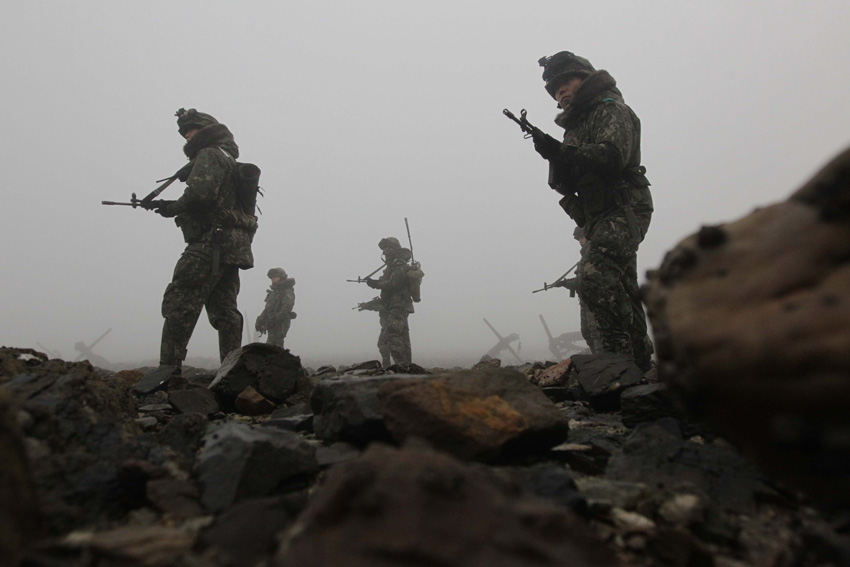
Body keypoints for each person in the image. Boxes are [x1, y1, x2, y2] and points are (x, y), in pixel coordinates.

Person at [530, 51, 653, 371]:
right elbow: (565, 182)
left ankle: (614, 364)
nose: (561, 91)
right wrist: (552, 155)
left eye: (565, 81)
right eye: (555, 88)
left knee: (593, 277)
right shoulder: (576, 126)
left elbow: (612, 156)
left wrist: (561, 151)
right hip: (598, 215)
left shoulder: (610, 109)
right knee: (623, 287)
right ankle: (639, 366)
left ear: (585, 78)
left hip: (624, 207)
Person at [153, 108, 257, 370]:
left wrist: (172, 208)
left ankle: (168, 371)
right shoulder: (228, 159)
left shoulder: (210, 154)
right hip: (233, 247)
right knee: (225, 311)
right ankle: (232, 370)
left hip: (210, 243)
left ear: (206, 130)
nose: (186, 136)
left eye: (190, 130)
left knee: (181, 301)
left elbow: (201, 195)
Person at [363, 237, 416, 367]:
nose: (385, 251)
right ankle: (407, 367)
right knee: (402, 336)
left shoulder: (399, 265)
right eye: (384, 248)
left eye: (388, 248)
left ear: (395, 249)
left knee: (391, 335)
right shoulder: (393, 266)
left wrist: (375, 283)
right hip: (396, 305)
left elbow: (394, 284)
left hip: (398, 305)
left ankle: (403, 367)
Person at [550, 226, 602, 353]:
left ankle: (602, 360)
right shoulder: (584, 256)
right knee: (587, 332)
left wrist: (566, 283)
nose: (580, 241)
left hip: (593, 300)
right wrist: (566, 283)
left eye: (582, 238)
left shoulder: (593, 254)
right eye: (578, 238)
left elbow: (586, 280)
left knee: (596, 332)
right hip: (585, 300)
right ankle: (597, 358)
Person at [255, 268, 296, 348]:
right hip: (272, 323)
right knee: (271, 345)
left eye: (275, 277)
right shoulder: (274, 292)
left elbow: (287, 307)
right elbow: (268, 308)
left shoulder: (287, 291)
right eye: (272, 277)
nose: (273, 279)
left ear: (282, 277)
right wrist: (260, 319)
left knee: (275, 345)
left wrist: (276, 319)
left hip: (280, 323)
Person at [356, 296, 391, 368]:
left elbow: (382, 307)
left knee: (383, 344)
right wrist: (367, 305)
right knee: (388, 344)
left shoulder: (391, 298)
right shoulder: (391, 297)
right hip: (390, 325)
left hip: (389, 325)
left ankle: (387, 367)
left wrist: (368, 306)